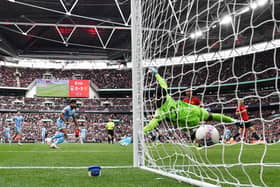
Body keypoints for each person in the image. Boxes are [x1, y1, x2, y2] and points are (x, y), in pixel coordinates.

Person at [144, 68, 237, 134]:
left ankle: (195, 136)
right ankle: (235, 121)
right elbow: (162, 82)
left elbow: (152, 125)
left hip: (188, 120)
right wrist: (156, 73)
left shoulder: (160, 112)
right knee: (211, 116)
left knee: (186, 128)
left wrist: (141, 131)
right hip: (191, 110)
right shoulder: (166, 95)